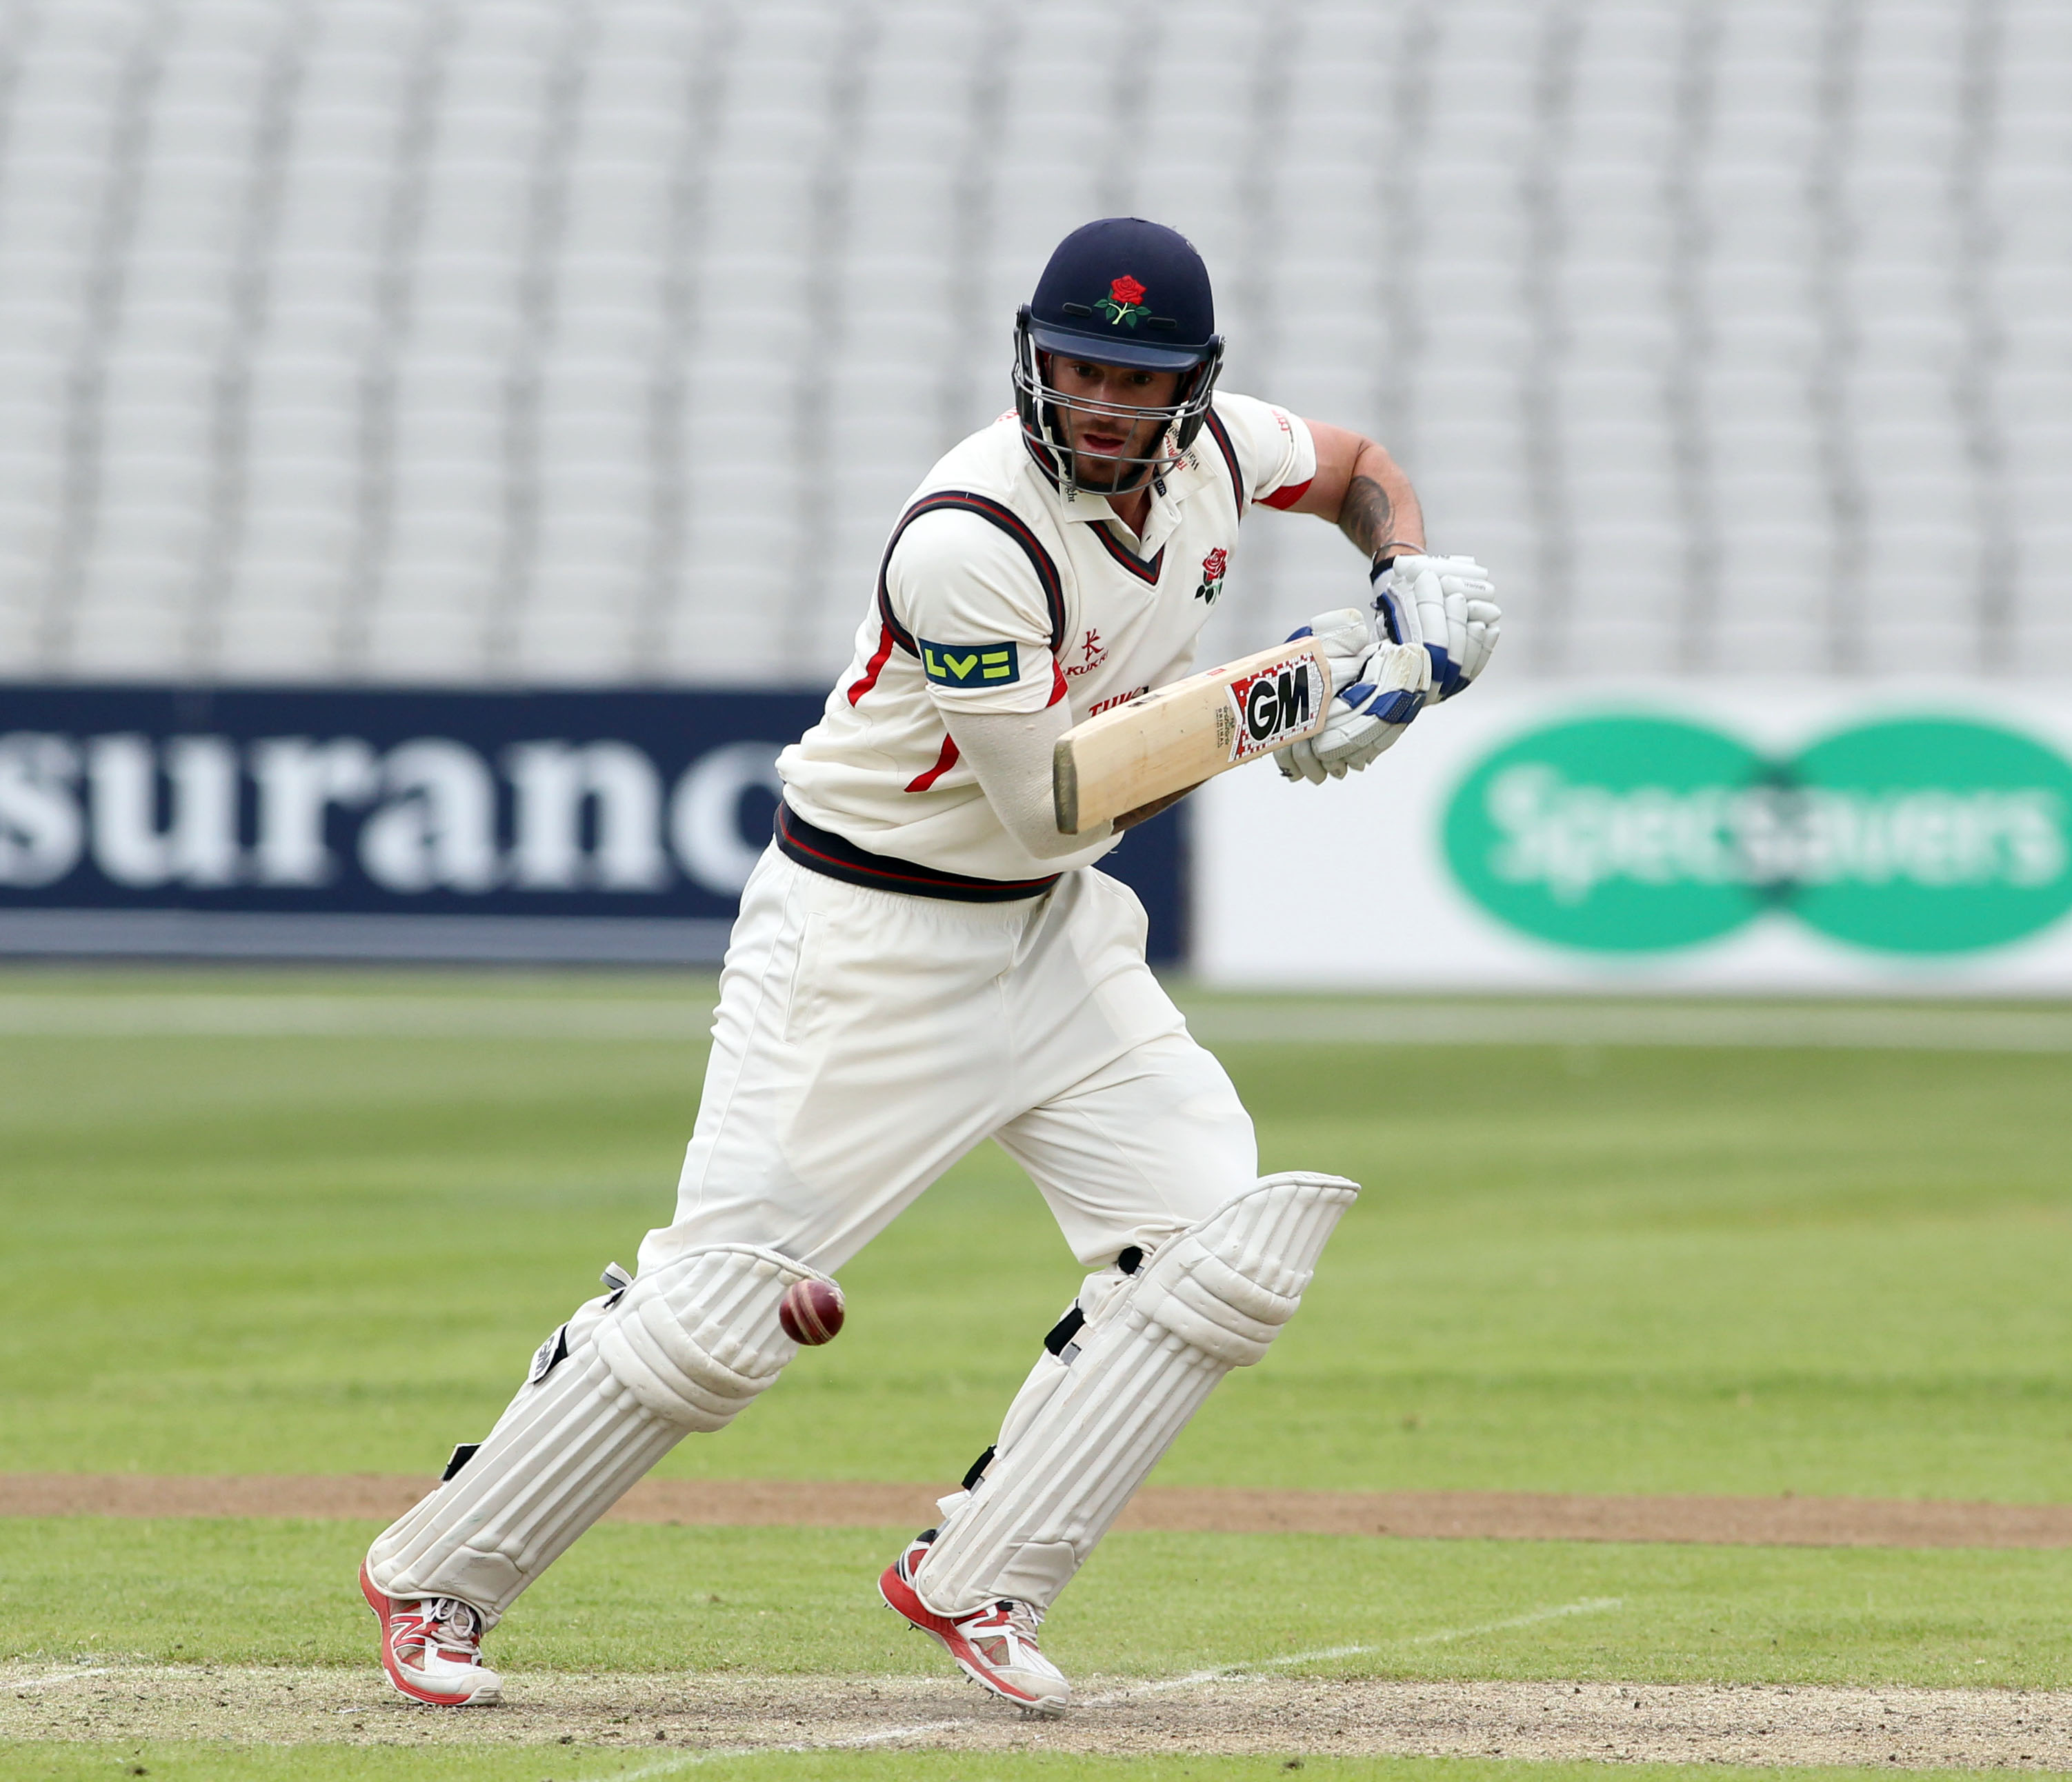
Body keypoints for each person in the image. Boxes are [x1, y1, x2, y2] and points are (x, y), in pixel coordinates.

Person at [358, 217, 1500, 1716]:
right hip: (864, 939)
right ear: (1032, 358)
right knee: (716, 1321)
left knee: (1221, 1247)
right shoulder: (969, 538)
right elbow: (1057, 800)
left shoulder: (1221, 450)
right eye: (1076, 369)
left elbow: (1354, 468)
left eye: (1136, 380)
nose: (1101, 404)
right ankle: (439, 1573)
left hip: (1047, 933)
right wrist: (1283, 699)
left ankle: (980, 1571)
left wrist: (1408, 578)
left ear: (1193, 388)